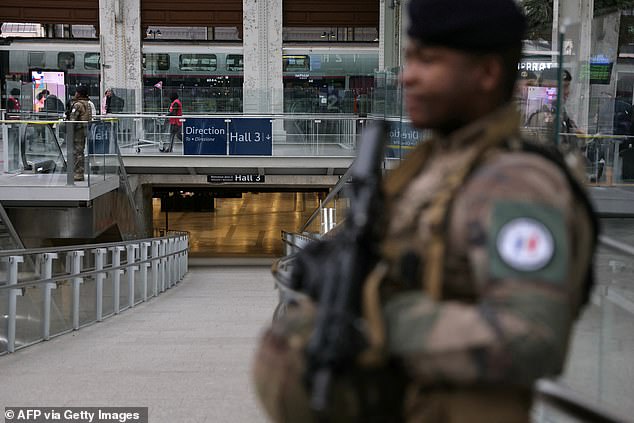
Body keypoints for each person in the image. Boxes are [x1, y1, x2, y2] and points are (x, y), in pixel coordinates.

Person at [252, 0, 598, 422]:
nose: (407, 76)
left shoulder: (517, 185)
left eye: (428, 61)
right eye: (409, 59)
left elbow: (532, 338)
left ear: (486, 74)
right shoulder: (436, 166)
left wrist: (371, 316)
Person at [68, 86, 93, 181]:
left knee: (76, 152)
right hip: (84, 130)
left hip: (78, 131)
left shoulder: (78, 105)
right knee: (80, 151)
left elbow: (73, 120)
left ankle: (77, 173)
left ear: (78, 93)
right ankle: (80, 173)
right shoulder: (88, 104)